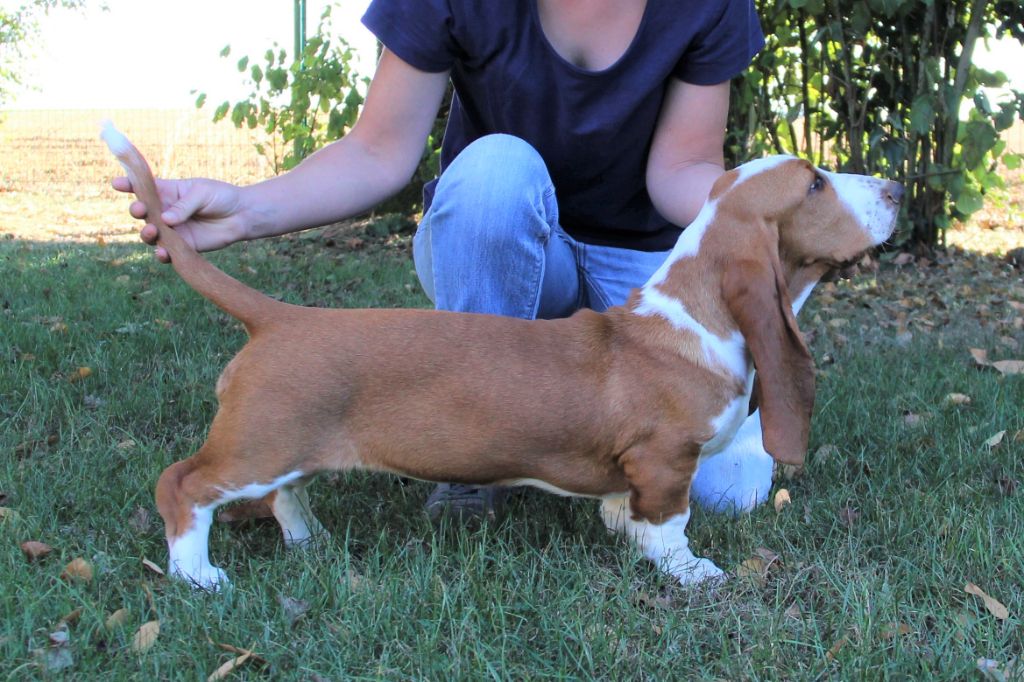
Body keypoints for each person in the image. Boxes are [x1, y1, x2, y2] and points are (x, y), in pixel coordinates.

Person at [116, 0, 766, 522]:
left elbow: (682, 168)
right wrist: (245, 210)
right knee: (493, 172)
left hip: (642, 274)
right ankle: (474, 455)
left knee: (729, 492)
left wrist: (772, 216)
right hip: (498, 237)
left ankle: (574, 426)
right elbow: (377, 151)